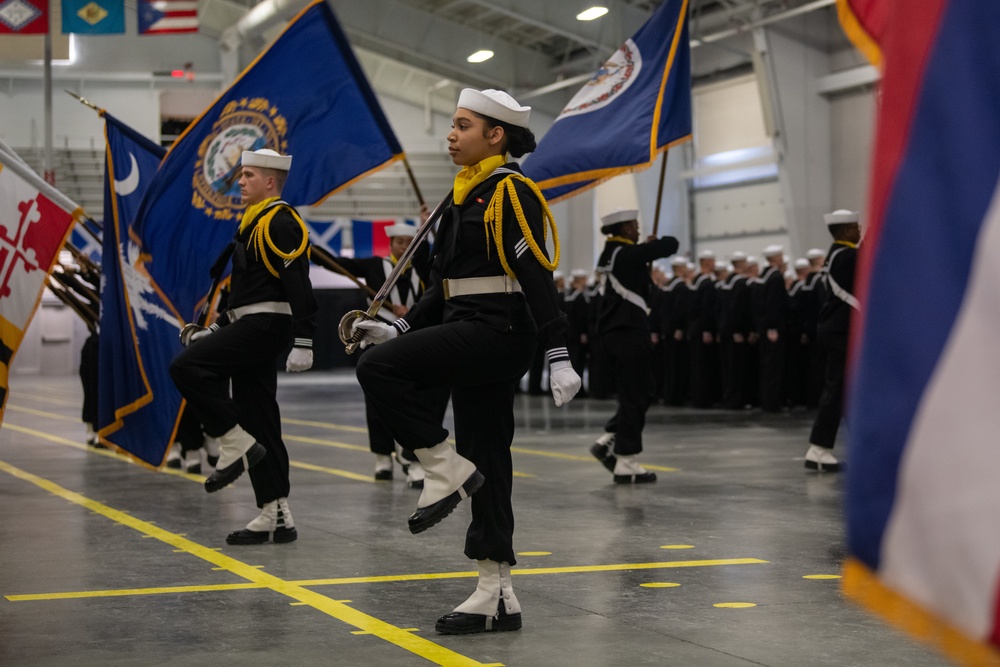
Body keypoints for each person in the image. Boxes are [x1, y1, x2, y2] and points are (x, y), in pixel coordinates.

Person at [351, 88, 581, 634]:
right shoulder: (462, 195)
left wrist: (559, 352)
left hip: (499, 330)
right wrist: (401, 325)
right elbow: (440, 285)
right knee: (488, 458)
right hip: (467, 326)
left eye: (462, 126)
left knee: (377, 370)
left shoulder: (510, 191)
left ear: (495, 135)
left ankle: (441, 466)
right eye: (452, 126)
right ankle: (495, 591)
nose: (450, 135)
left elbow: (535, 277)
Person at [170, 148, 317, 544]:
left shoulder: (280, 221)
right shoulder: (252, 224)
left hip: (267, 325)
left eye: (248, 174)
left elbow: (299, 285)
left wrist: (304, 340)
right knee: (260, 416)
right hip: (251, 322)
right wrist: (216, 330)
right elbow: (244, 293)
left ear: (270, 182)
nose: (239, 181)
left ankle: (233, 443)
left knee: (185, 368)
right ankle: (276, 513)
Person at [323, 220, 436, 487]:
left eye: (410, 243)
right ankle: (382, 457)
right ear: (391, 243)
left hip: (414, 337)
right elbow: (338, 264)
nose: (405, 247)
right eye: (400, 242)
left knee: (414, 397)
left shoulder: (423, 267)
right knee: (376, 398)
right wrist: (309, 247)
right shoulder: (375, 265)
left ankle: (411, 454)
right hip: (378, 338)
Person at [589, 209, 679, 482]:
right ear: (625, 229)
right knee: (637, 393)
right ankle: (626, 461)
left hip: (615, 332)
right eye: (634, 225)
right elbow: (671, 244)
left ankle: (608, 439)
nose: (637, 229)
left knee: (640, 391)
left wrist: (645, 247)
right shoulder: (624, 254)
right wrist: (651, 246)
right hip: (628, 331)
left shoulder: (611, 253)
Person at [805, 209, 861, 471]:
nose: (859, 230)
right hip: (841, 332)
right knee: (837, 389)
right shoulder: (845, 254)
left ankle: (860, 445)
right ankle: (818, 448)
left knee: (848, 390)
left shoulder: (838, 254)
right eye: (855, 226)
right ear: (846, 231)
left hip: (835, 330)